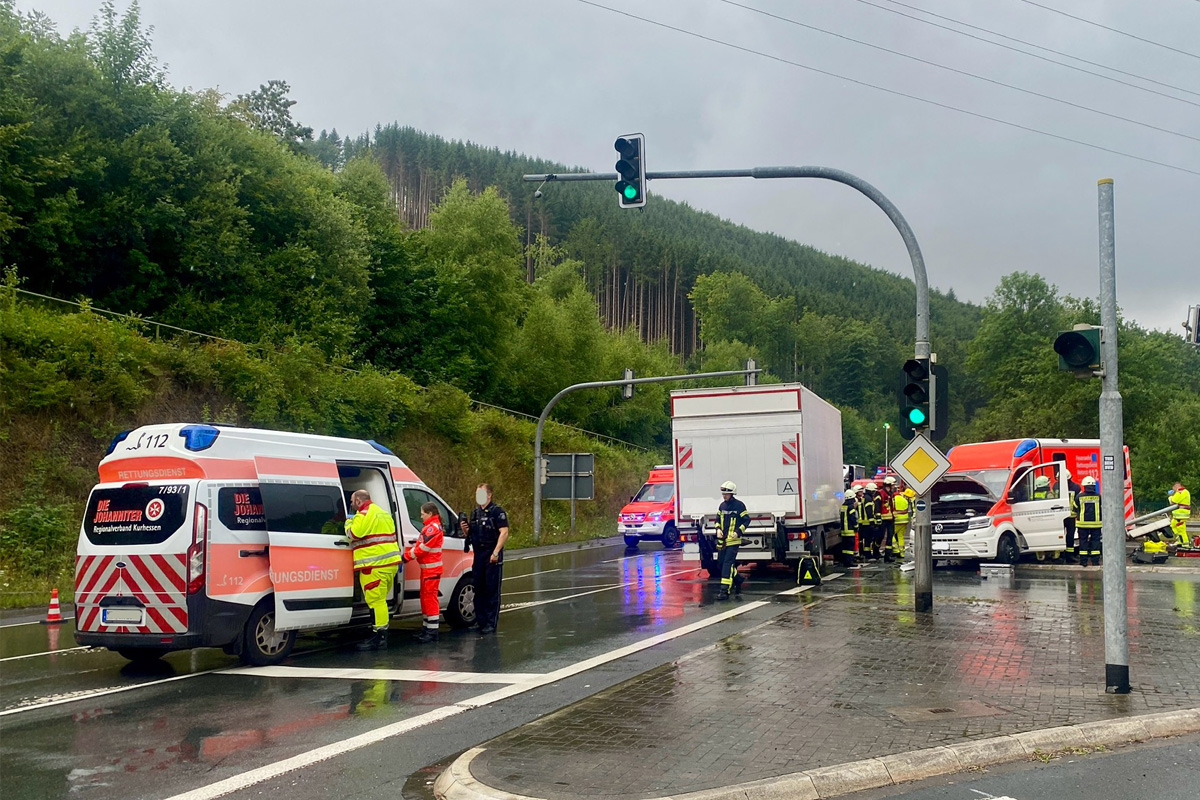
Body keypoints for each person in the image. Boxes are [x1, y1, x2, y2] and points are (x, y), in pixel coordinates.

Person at [346, 489, 402, 650]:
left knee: (376, 602)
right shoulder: (383, 513)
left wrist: (348, 522)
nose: (351, 504)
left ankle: (379, 637)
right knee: (380, 601)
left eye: (351, 501)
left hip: (374, 565)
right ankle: (378, 632)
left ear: (358, 501)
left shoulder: (363, 515)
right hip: (390, 564)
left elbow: (354, 534)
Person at [460, 483, 509, 634]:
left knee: (491, 589)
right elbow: (472, 534)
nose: (478, 497)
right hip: (479, 554)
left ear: (489, 495)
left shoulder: (497, 512)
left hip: (491, 554)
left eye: (481, 494)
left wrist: (495, 552)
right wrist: (466, 530)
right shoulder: (475, 513)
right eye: (477, 494)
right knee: (478, 588)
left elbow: (504, 532)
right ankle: (480, 621)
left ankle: (490, 623)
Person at [404, 502, 445, 643]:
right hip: (427, 569)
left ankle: (432, 631)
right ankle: (427, 628)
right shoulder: (430, 527)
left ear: (430, 514)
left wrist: (405, 557)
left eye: (422, 513)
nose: (421, 516)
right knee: (425, 599)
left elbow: (422, 548)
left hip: (431, 570)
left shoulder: (432, 528)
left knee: (430, 599)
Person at [715, 481, 749, 600]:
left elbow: (746, 520)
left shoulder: (739, 506)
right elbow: (717, 519)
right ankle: (738, 579)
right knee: (720, 564)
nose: (724, 496)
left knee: (727, 565)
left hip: (733, 541)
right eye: (723, 493)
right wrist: (718, 529)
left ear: (732, 493)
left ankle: (724, 591)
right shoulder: (722, 506)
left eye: (726, 494)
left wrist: (738, 532)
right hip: (723, 541)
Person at [1074, 476, 1102, 567]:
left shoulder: (1079, 497)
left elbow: (1075, 508)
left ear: (1084, 486)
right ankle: (1095, 561)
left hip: (1082, 524)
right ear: (1094, 486)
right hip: (1096, 524)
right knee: (1095, 542)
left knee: (1083, 542)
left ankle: (1083, 561)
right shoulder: (1099, 496)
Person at [1062, 470, 1082, 563]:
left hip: (1061, 515)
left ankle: (1062, 555)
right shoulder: (1076, 487)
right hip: (1071, 516)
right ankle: (1069, 556)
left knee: (1063, 535)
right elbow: (1079, 502)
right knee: (1069, 536)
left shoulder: (1056, 486)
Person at [839, 487, 859, 567]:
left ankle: (846, 561)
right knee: (850, 547)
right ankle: (850, 562)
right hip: (850, 530)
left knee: (845, 547)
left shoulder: (843, 506)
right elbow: (853, 518)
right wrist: (856, 527)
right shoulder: (851, 507)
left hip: (844, 530)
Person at [1169, 482, 1193, 548]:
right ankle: (1179, 540)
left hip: (1181, 515)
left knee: (1180, 529)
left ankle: (1185, 544)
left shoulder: (1181, 492)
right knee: (1173, 525)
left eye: (1173, 488)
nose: (1173, 489)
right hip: (1178, 515)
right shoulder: (1182, 492)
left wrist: (1170, 497)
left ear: (1176, 486)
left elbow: (1173, 501)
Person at [861, 482, 882, 560]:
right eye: (873, 491)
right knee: (868, 539)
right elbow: (869, 512)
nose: (874, 493)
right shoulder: (868, 499)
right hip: (868, 523)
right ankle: (868, 554)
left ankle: (867, 553)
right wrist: (872, 523)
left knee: (867, 539)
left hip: (865, 522)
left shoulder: (866, 497)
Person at [880, 476, 897, 562]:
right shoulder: (881, 493)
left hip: (890, 519)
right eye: (893, 485)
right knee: (880, 536)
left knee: (890, 536)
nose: (894, 487)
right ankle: (876, 552)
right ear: (889, 485)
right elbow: (877, 506)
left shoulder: (890, 494)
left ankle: (888, 556)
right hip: (883, 519)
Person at [893, 488, 913, 560]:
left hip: (897, 520)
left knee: (892, 535)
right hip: (905, 520)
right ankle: (902, 553)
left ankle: (896, 550)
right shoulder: (904, 500)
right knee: (900, 536)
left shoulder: (893, 499)